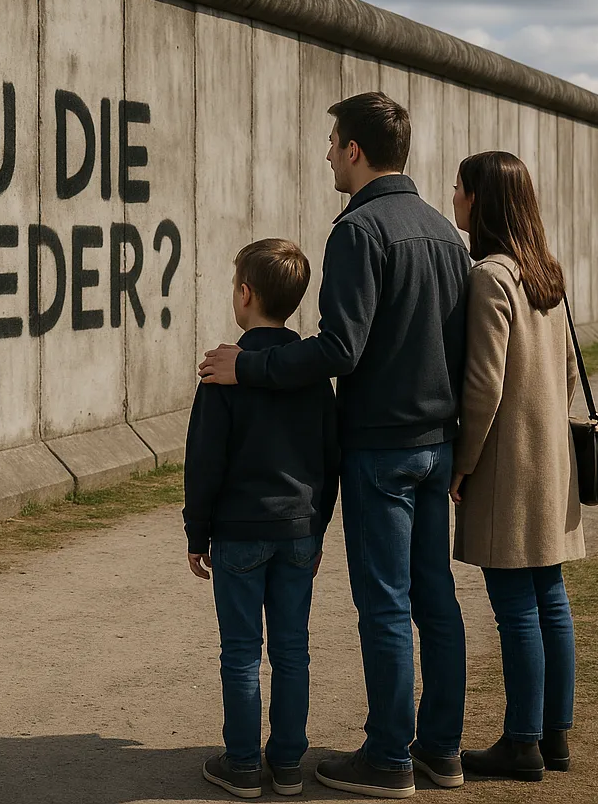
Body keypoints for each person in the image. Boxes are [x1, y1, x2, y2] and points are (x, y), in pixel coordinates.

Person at [199, 92, 471, 799]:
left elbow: (340, 349)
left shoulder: (359, 231)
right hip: (436, 443)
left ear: (354, 149)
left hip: (381, 448)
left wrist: (247, 365)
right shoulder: (445, 233)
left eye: (331, 142)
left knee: (384, 605)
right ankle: (441, 750)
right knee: (434, 599)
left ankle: (388, 757)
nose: (326, 153)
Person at [184, 238, 340, 799]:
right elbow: (329, 457)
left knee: (242, 652)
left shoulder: (224, 370)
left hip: (240, 533)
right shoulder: (310, 373)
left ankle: (244, 764)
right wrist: (317, 527)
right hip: (298, 530)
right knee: (292, 649)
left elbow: (205, 460)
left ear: (244, 294)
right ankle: (290, 764)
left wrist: (196, 532)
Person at [447, 151, 583, 781]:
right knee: (550, 598)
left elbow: (482, 386)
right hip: (551, 463)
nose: (454, 200)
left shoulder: (491, 277)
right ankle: (555, 736)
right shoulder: (546, 276)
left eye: (461, 189)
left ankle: (522, 741)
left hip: (506, 467)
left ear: (484, 202)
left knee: (515, 605)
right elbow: (573, 376)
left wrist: (462, 464)